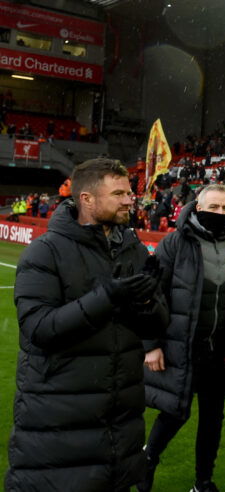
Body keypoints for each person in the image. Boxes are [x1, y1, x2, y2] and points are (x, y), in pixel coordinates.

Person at [6, 158, 168, 492]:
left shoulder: (132, 249)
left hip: (120, 429)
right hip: (59, 428)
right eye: (119, 193)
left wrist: (149, 301)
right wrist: (106, 297)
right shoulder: (44, 252)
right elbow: (39, 330)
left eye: (129, 192)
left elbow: (157, 324)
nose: (129, 200)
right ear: (87, 200)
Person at [139, 184, 225, 492]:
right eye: (214, 207)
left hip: (221, 349)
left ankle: (203, 483)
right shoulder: (175, 242)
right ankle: (147, 460)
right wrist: (151, 346)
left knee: (212, 419)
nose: (220, 213)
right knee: (175, 411)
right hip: (181, 346)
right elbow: (151, 295)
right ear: (198, 207)